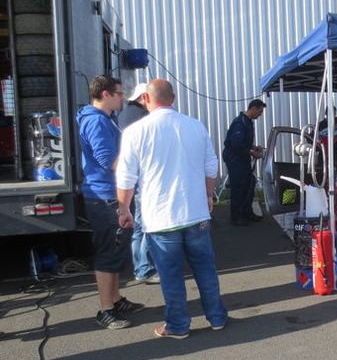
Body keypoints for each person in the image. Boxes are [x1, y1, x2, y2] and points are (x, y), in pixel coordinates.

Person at [116, 79, 228, 339]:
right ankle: (217, 318)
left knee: (171, 275)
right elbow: (211, 166)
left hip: (161, 217)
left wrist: (124, 209)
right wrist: (209, 195)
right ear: (173, 97)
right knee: (206, 269)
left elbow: (125, 177)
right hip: (197, 213)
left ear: (145, 98)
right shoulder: (195, 126)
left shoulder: (136, 131)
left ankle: (178, 326)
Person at [77, 75, 143, 330]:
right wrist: (137, 166)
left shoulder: (105, 119)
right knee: (109, 250)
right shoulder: (96, 122)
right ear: (105, 95)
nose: (122, 97)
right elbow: (108, 161)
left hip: (109, 193)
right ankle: (106, 310)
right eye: (118, 93)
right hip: (105, 196)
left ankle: (115, 299)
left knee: (117, 249)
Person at [117, 82, 158, 284]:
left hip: (131, 178)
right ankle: (145, 269)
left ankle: (139, 266)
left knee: (138, 228)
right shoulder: (142, 117)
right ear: (144, 98)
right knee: (147, 225)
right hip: (143, 179)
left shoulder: (125, 114)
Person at [222, 99, 265, 226]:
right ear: (253, 108)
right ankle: (236, 217)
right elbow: (236, 144)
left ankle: (247, 212)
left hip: (242, 158)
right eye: (260, 111)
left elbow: (243, 142)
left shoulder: (248, 122)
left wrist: (252, 147)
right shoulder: (239, 123)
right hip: (235, 159)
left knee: (250, 184)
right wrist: (252, 153)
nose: (260, 114)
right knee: (239, 187)